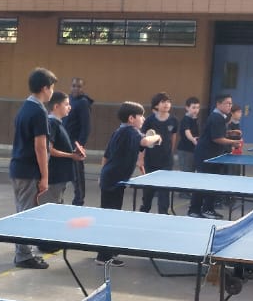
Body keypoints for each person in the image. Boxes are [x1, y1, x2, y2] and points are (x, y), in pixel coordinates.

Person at [95, 101, 156, 261]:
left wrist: (102, 175)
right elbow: (145, 142)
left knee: (110, 216)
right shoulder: (130, 131)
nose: (143, 119)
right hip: (113, 181)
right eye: (141, 116)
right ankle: (103, 256)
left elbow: (106, 156)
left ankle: (108, 251)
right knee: (110, 218)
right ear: (131, 118)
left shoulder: (119, 131)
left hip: (112, 179)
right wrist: (157, 137)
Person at [9, 68, 56, 269]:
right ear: (45, 88)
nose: (52, 91)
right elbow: (40, 147)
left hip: (19, 168)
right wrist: (45, 176)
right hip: (28, 171)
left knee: (23, 212)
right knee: (26, 214)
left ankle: (25, 253)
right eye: (51, 87)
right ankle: (23, 256)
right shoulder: (38, 111)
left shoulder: (25, 108)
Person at [192, 94, 242, 218]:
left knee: (210, 182)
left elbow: (216, 133)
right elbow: (217, 138)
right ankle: (198, 210)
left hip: (212, 155)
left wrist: (230, 133)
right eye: (227, 103)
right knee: (205, 183)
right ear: (218, 104)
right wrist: (233, 142)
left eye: (231, 103)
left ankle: (202, 209)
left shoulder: (219, 117)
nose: (230, 106)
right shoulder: (217, 117)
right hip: (206, 156)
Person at [137, 93, 178, 215]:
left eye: (168, 102)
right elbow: (143, 140)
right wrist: (141, 158)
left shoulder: (174, 120)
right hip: (151, 160)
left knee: (164, 188)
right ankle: (145, 209)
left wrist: (171, 153)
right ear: (156, 105)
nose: (166, 104)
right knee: (149, 188)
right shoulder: (149, 120)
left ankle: (163, 212)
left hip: (166, 160)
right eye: (163, 102)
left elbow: (173, 138)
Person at [44, 91, 85, 206]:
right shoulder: (52, 124)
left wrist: (73, 152)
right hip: (54, 176)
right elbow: (49, 149)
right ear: (56, 106)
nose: (70, 107)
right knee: (51, 206)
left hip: (60, 176)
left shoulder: (58, 124)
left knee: (58, 204)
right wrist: (71, 155)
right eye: (66, 104)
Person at [64, 78, 94, 206]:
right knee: (63, 172)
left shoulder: (83, 103)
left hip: (74, 143)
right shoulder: (68, 100)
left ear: (83, 88)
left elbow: (86, 127)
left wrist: (80, 146)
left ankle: (79, 200)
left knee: (77, 175)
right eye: (74, 86)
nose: (76, 88)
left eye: (79, 86)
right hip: (64, 142)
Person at [174, 96, 202, 175]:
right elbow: (187, 132)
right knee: (186, 173)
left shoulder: (195, 119)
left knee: (192, 172)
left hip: (193, 150)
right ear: (187, 108)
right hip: (185, 150)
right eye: (193, 107)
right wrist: (193, 139)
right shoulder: (185, 119)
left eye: (197, 107)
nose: (196, 110)